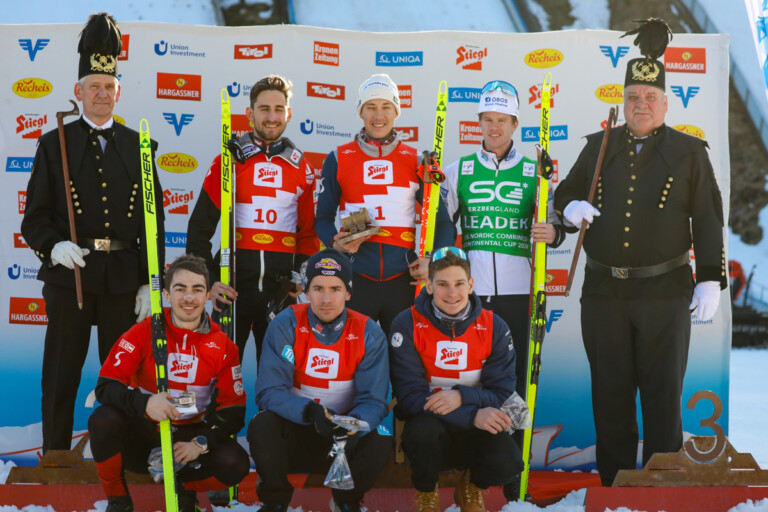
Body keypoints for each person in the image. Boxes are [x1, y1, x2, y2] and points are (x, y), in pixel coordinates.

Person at [553, 18, 726, 486]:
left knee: (663, 398)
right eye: (633, 97)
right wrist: (569, 206)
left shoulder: (690, 153)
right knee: (609, 397)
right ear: (622, 101)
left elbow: (708, 218)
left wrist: (710, 276)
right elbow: (562, 195)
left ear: (666, 103)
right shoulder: (598, 146)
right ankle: (615, 487)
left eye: (650, 98)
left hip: (666, 292)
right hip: (604, 292)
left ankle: (662, 486)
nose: (641, 104)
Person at [20, 12, 164, 453]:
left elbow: (153, 223)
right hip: (71, 276)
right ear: (78, 93)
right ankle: (57, 457)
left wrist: (147, 279)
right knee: (61, 371)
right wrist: (54, 247)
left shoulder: (140, 146)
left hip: (122, 278)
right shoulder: (53, 143)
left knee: (125, 375)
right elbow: (34, 218)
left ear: (118, 92)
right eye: (93, 87)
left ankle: (128, 458)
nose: (101, 95)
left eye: (108, 87)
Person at [440, 80, 564, 500]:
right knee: (472, 379)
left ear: (515, 123)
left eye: (502, 120)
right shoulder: (459, 171)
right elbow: (441, 229)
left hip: (517, 296)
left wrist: (554, 231)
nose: (494, 128)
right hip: (469, 300)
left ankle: (513, 478)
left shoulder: (536, 170)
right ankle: (469, 471)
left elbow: (554, 225)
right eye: (487, 120)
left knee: (513, 387)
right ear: (479, 122)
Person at [88, 254, 249, 512]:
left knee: (236, 463)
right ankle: (118, 500)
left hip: (189, 440)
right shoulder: (144, 331)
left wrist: (201, 442)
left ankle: (184, 490)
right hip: (145, 435)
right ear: (166, 293)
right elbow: (106, 387)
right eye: (180, 289)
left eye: (197, 290)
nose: (188, 298)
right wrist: (145, 403)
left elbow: (233, 410)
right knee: (103, 419)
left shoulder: (224, 346)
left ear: (208, 295)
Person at [187, 74, 318, 364]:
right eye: (264, 109)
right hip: (232, 287)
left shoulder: (303, 168)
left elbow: (309, 234)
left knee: (279, 376)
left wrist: (301, 275)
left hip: (279, 290)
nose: (272, 117)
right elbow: (199, 229)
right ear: (250, 113)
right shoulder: (229, 161)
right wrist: (208, 282)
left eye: (279, 109)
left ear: (289, 113)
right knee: (219, 373)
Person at [248, 249, 392, 512]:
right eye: (318, 288)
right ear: (307, 291)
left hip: (344, 439)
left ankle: (346, 502)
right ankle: (275, 503)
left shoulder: (368, 332)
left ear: (348, 293)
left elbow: (374, 400)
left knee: (381, 436)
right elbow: (268, 391)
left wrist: (352, 423)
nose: (326, 298)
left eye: (335, 289)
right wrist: (309, 411)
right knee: (262, 423)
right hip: (299, 430)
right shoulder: (286, 323)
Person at [315, 73, 454, 335]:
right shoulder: (338, 158)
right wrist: (334, 243)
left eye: (386, 107)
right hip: (354, 280)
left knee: (405, 368)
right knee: (352, 366)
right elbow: (322, 218)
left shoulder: (418, 160)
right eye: (371, 107)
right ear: (360, 111)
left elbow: (444, 223)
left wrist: (431, 261)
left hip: (403, 282)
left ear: (396, 112)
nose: (378, 115)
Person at [388, 246, 523, 512]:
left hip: (478, 423)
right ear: (428, 286)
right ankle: (427, 492)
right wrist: (469, 414)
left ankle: (472, 486)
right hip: (431, 423)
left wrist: (462, 396)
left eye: (459, 283)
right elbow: (409, 398)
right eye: (442, 284)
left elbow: (503, 393)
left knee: (509, 462)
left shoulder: (495, 326)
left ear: (471, 284)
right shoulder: (407, 323)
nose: (452, 293)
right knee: (420, 435)